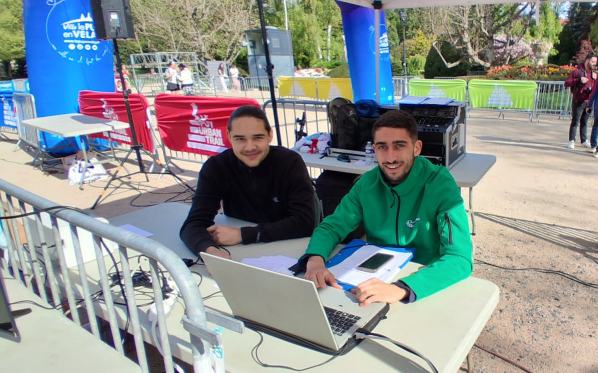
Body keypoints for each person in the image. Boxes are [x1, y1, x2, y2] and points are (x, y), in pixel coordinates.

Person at [301, 110, 473, 305]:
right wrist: (315, 260)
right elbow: (332, 226)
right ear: (374, 149)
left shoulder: (440, 184)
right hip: (371, 278)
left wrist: (403, 289)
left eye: (399, 146)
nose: (390, 158)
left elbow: (460, 258)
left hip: (421, 281)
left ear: (416, 148)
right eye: (382, 147)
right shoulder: (367, 184)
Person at [180, 105, 316, 257]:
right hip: (240, 253)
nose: (250, 147)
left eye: (258, 137)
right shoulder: (216, 167)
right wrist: (210, 252)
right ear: (229, 136)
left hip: (289, 249)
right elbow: (193, 224)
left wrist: (243, 235)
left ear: (270, 135)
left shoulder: (289, 162)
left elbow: (305, 222)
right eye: (240, 139)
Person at [564, 52, 598, 149]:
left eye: (595, 62)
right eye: (592, 61)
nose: (594, 64)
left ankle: (584, 140)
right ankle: (571, 140)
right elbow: (567, 83)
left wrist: (595, 80)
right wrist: (579, 80)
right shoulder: (577, 71)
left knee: (585, 121)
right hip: (578, 100)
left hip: (589, 101)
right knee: (575, 121)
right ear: (587, 60)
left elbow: (597, 86)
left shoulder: (594, 74)